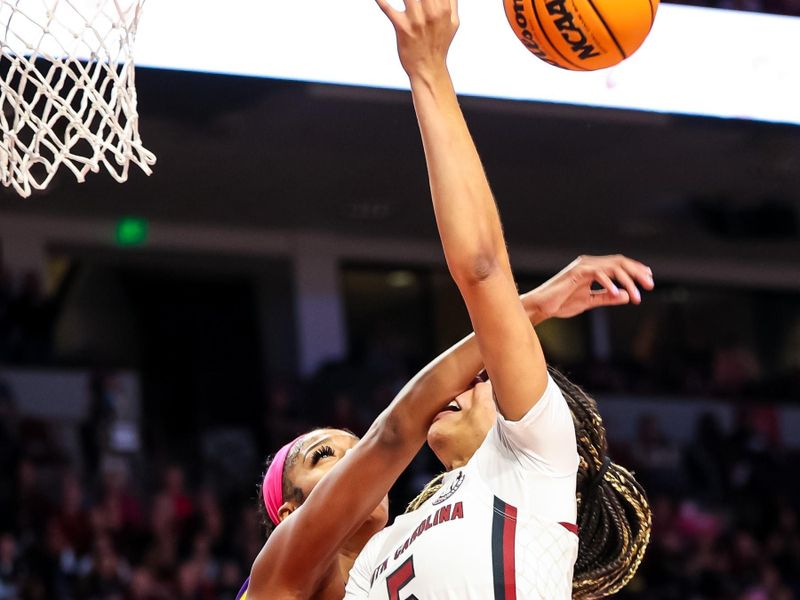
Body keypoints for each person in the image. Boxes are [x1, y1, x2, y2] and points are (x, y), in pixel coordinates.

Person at [344, 1, 651, 598]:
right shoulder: (378, 554)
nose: (460, 383)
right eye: (484, 377)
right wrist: (525, 308)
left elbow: (482, 273)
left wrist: (429, 69)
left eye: (484, 375)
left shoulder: (535, 467)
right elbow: (482, 275)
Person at [241, 252, 651, 599]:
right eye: (324, 456)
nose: (353, 457)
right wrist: (526, 310)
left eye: (354, 444)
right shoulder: (275, 577)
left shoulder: (400, 558)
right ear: (289, 513)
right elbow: (393, 434)